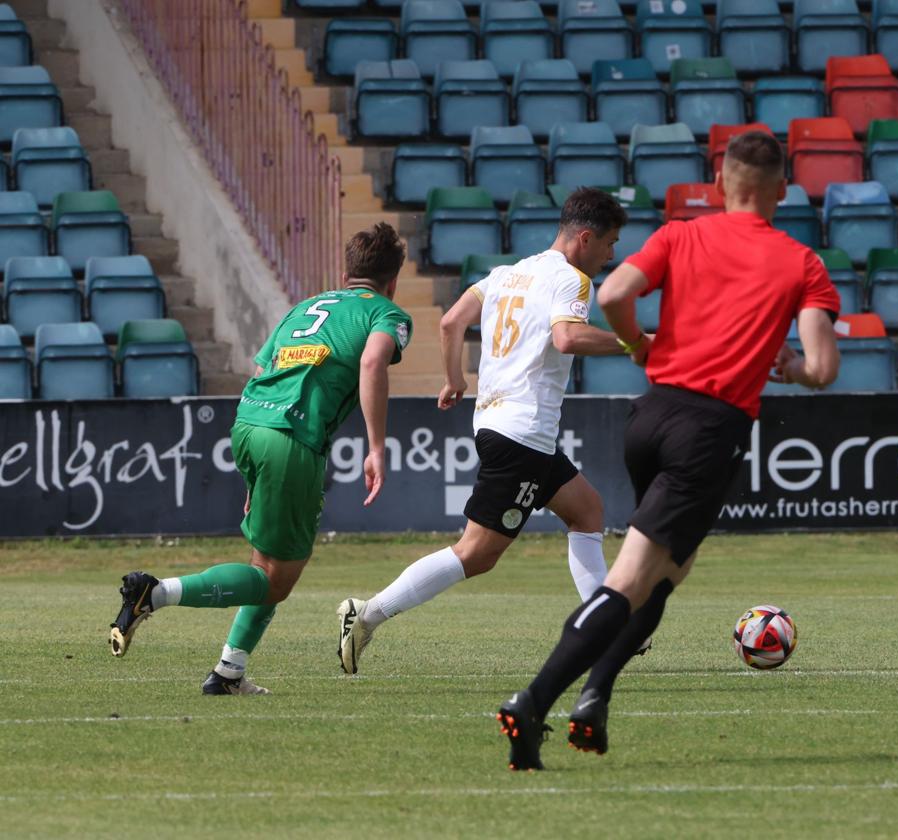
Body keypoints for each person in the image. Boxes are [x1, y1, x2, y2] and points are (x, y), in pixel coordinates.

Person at [496, 130, 841, 771]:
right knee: (631, 580)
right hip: (709, 430)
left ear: (719, 185)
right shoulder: (801, 263)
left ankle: (595, 697)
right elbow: (822, 367)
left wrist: (638, 347)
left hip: (650, 418)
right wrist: (789, 366)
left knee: (667, 573)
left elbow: (614, 294)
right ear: (782, 193)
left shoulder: (682, 234)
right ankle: (534, 700)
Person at [335, 187, 632, 675]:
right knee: (476, 554)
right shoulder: (574, 281)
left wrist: (455, 379)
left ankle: (603, 627)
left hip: (498, 422)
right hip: (524, 433)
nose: (611, 255)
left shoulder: (506, 274)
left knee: (587, 510)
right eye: (610, 243)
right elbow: (568, 336)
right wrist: (636, 343)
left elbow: (451, 323)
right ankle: (366, 615)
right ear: (585, 238)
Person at [108, 223, 413, 694]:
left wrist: (255, 478)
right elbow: (373, 363)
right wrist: (377, 447)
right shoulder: (387, 314)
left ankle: (229, 672)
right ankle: (155, 592)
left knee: (264, 563)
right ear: (393, 279)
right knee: (275, 582)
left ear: (347, 270)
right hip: (292, 437)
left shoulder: (305, 307)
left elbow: (260, 368)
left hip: (250, 423)